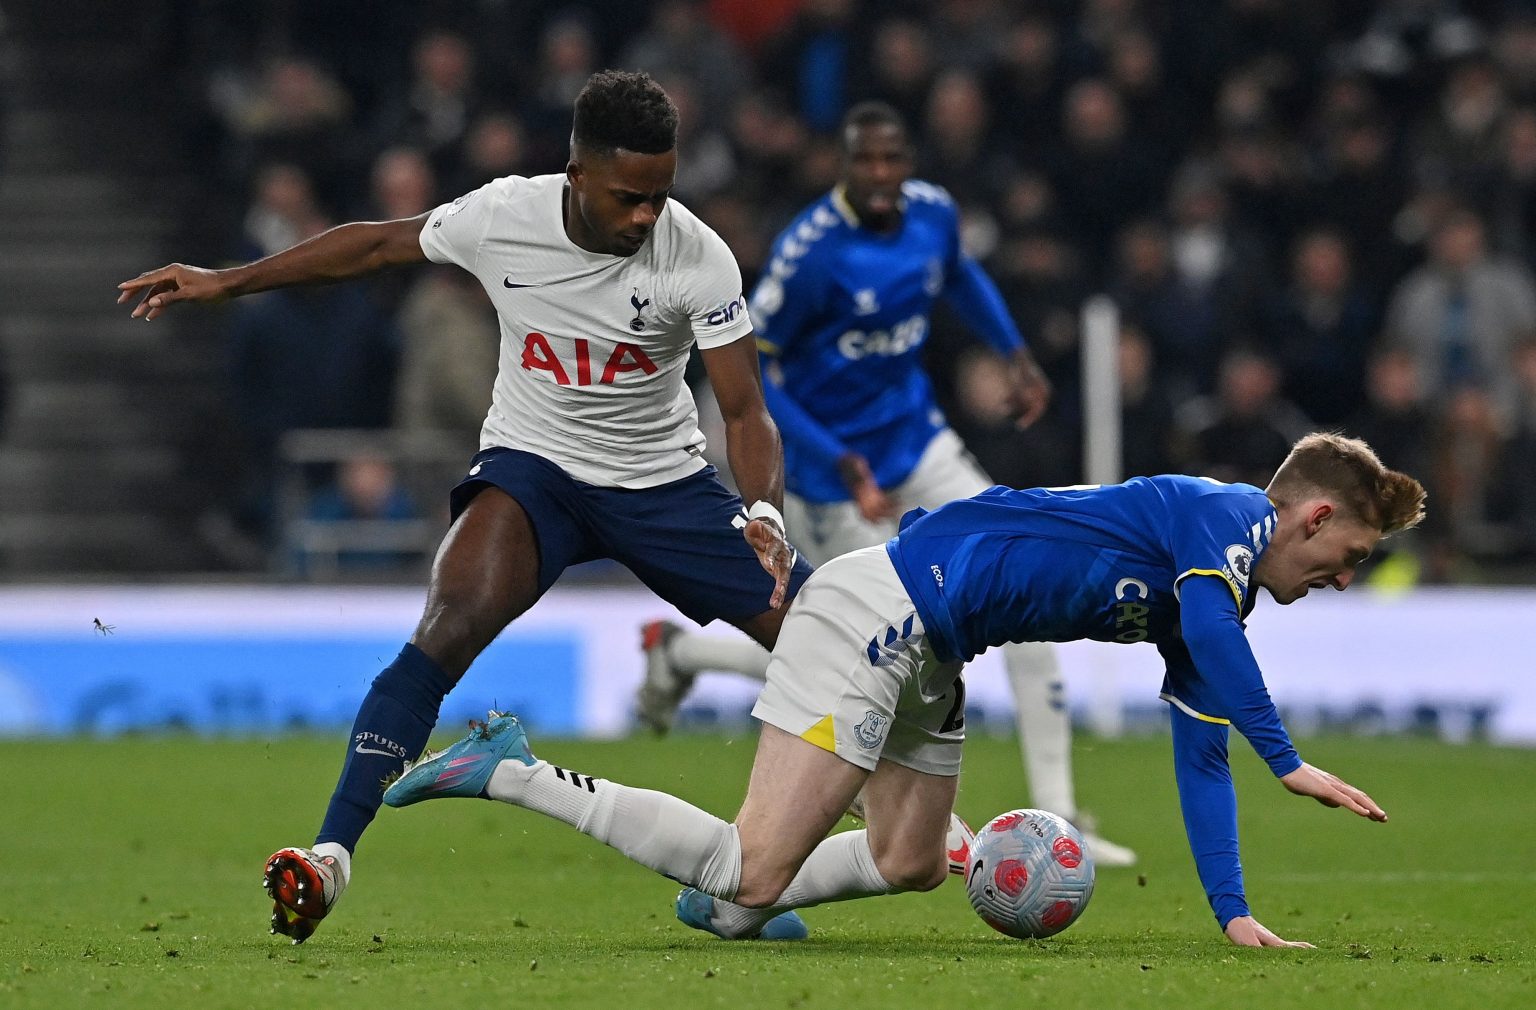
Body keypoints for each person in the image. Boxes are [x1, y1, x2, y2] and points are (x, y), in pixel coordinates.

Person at [117, 70, 811, 944]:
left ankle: (791, 867)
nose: (647, 217)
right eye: (630, 197)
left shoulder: (695, 254)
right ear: (578, 174)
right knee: (446, 621)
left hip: (661, 482)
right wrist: (229, 281)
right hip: (536, 471)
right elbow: (374, 246)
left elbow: (746, 411)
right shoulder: (505, 216)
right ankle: (330, 857)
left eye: (661, 195)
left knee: (820, 637)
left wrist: (765, 515)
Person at [385, 433, 1424, 948]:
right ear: (1315, 514)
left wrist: (1236, 915)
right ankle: (512, 768)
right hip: (882, 609)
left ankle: (744, 907)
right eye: (1352, 555)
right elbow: (1207, 630)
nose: (1342, 578)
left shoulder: (1220, 593)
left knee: (913, 858)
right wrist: (1288, 758)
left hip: (937, 643)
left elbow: (1200, 751)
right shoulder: (1226, 516)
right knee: (754, 865)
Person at [633, 101, 1136, 867]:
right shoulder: (811, 253)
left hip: (919, 442)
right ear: (842, 165)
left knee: (1031, 591)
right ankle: (686, 655)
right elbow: (757, 373)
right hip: (835, 479)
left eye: (891, 161)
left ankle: (1060, 820)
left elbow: (960, 278)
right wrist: (839, 459)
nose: (878, 177)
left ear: (908, 164)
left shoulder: (933, 214)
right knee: (863, 653)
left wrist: (1013, 353)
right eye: (863, 162)